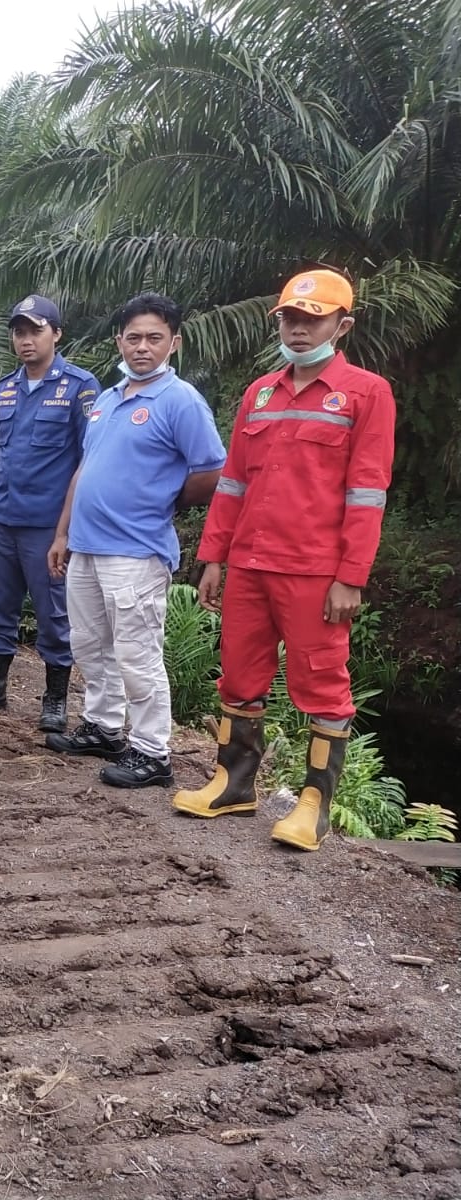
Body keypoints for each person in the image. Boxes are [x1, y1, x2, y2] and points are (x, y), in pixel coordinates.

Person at [174, 269, 395, 851]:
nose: (298, 329)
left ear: (341, 325)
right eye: (290, 319)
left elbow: (368, 491)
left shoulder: (367, 394)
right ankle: (233, 783)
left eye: (312, 319)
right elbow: (234, 484)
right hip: (248, 562)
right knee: (240, 674)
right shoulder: (260, 393)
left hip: (315, 569)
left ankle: (314, 805)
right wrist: (214, 557)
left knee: (322, 684)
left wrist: (352, 576)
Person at [45, 294, 227, 787]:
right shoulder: (107, 399)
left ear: (174, 342)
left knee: (137, 652)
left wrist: (167, 501)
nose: (142, 347)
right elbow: (85, 469)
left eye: (154, 338)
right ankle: (104, 727)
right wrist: (63, 532)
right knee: (89, 643)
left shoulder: (180, 400)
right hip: (87, 545)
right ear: (118, 341)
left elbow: (212, 470)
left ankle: (152, 752)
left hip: (137, 550)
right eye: (134, 337)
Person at [0, 296, 100, 732]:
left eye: (35, 330)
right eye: (19, 332)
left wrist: (68, 529)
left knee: (53, 612)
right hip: (2, 518)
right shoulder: (5, 388)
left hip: (47, 525)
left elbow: (88, 460)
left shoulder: (80, 387)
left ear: (56, 333)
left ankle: (55, 698)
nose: (25, 340)